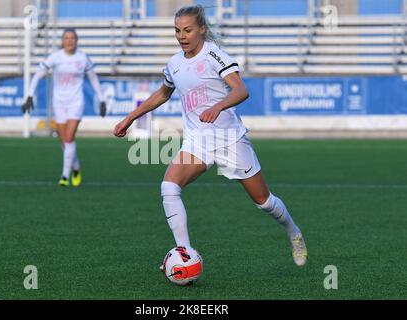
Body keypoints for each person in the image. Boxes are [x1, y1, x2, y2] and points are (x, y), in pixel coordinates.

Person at [114, 5, 307, 267]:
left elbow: (241, 90)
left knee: (264, 202)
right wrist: (130, 117)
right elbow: (162, 94)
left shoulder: (214, 55)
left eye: (188, 30)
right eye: (177, 30)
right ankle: (184, 254)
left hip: (230, 139)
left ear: (202, 29)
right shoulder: (174, 63)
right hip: (197, 141)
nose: (182, 36)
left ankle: (294, 232)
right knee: (169, 187)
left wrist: (218, 107)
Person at [22, 28, 106, 187]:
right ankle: (76, 166)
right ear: (62, 41)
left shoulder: (83, 58)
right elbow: (38, 74)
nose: (69, 41)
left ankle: (64, 176)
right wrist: (30, 95)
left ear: (77, 40)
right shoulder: (55, 57)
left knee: (69, 137)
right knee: (63, 141)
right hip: (59, 102)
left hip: (76, 102)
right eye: (66, 38)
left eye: (73, 38)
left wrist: (101, 100)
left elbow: (93, 79)